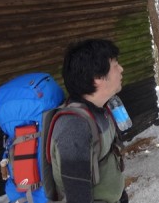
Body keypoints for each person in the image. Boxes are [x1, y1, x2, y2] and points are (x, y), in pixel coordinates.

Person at [49, 39, 128, 203]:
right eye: (115, 65)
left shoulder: (103, 108)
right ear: (97, 78)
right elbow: (78, 197)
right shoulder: (74, 127)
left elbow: (110, 159)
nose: (121, 69)